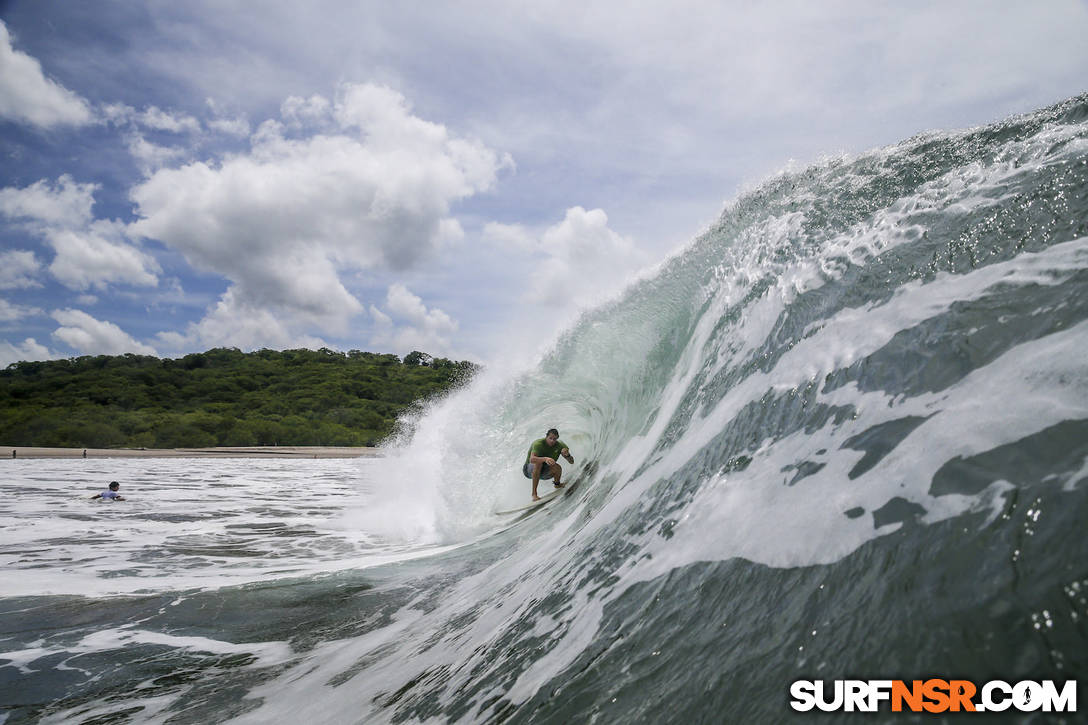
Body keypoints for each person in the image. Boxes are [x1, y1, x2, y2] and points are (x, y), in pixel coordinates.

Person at [523, 428, 574, 501]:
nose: (552, 441)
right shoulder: (538, 444)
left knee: (557, 467)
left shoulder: (560, 446)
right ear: (546, 437)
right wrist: (545, 459)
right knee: (539, 463)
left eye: (554, 439)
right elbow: (532, 459)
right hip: (528, 471)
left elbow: (571, 461)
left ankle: (557, 485)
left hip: (543, 473)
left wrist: (567, 455)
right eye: (550, 438)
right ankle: (534, 494)